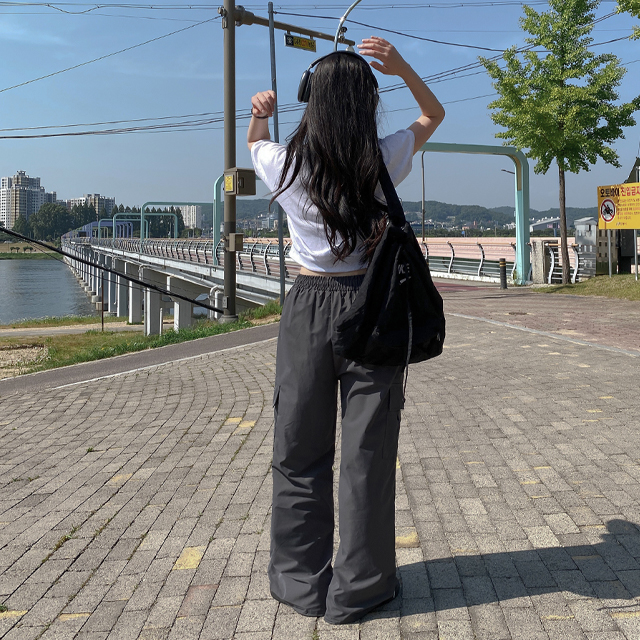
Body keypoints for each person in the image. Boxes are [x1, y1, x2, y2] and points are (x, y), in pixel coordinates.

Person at [247, 36, 444, 625]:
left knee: (298, 448)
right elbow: (433, 114)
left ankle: (300, 583)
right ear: (367, 103)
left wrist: (260, 114)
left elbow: (255, 144)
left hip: (307, 306)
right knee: (368, 455)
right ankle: (361, 588)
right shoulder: (383, 159)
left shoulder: (285, 164)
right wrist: (401, 66)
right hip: (373, 306)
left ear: (311, 100)